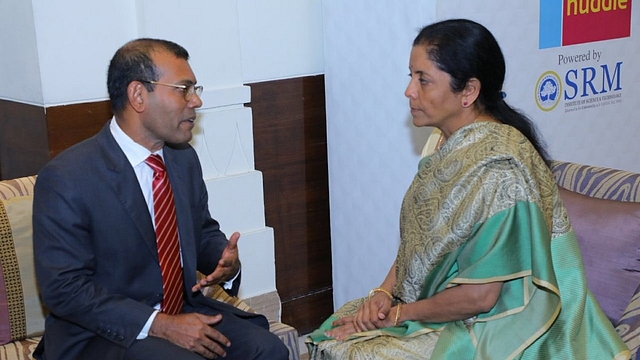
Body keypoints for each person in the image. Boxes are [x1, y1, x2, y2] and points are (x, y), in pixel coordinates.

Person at [307, 19, 629, 359]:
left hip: (501, 325)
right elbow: (419, 245)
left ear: (469, 91)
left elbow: (481, 297)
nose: (409, 91)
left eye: (424, 80)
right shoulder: (443, 142)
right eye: (410, 76)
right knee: (331, 333)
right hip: (433, 306)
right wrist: (382, 295)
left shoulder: (500, 170)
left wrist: (398, 315)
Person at [32, 38, 289, 360]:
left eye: (196, 90)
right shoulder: (68, 177)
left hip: (180, 308)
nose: (195, 102)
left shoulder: (182, 159)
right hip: (100, 333)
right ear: (138, 95)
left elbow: (201, 231)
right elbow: (64, 289)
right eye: (183, 89)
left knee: (267, 350)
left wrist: (223, 261)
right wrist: (160, 324)